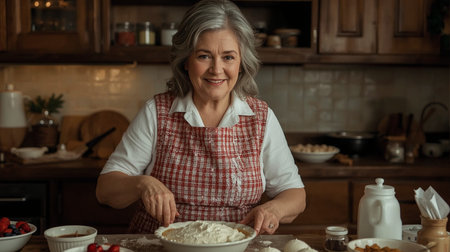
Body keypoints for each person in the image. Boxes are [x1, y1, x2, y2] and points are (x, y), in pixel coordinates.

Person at [96, 0, 306, 235]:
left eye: (228, 57)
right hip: (161, 246)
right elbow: (105, 190)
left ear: (241, 63)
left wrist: (274, 209)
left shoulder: (261, 118)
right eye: (204, 56)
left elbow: (295, 195)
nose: (217, 69)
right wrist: (141, 183)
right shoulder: (157, 112)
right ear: (186, 60)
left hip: (236, 247)